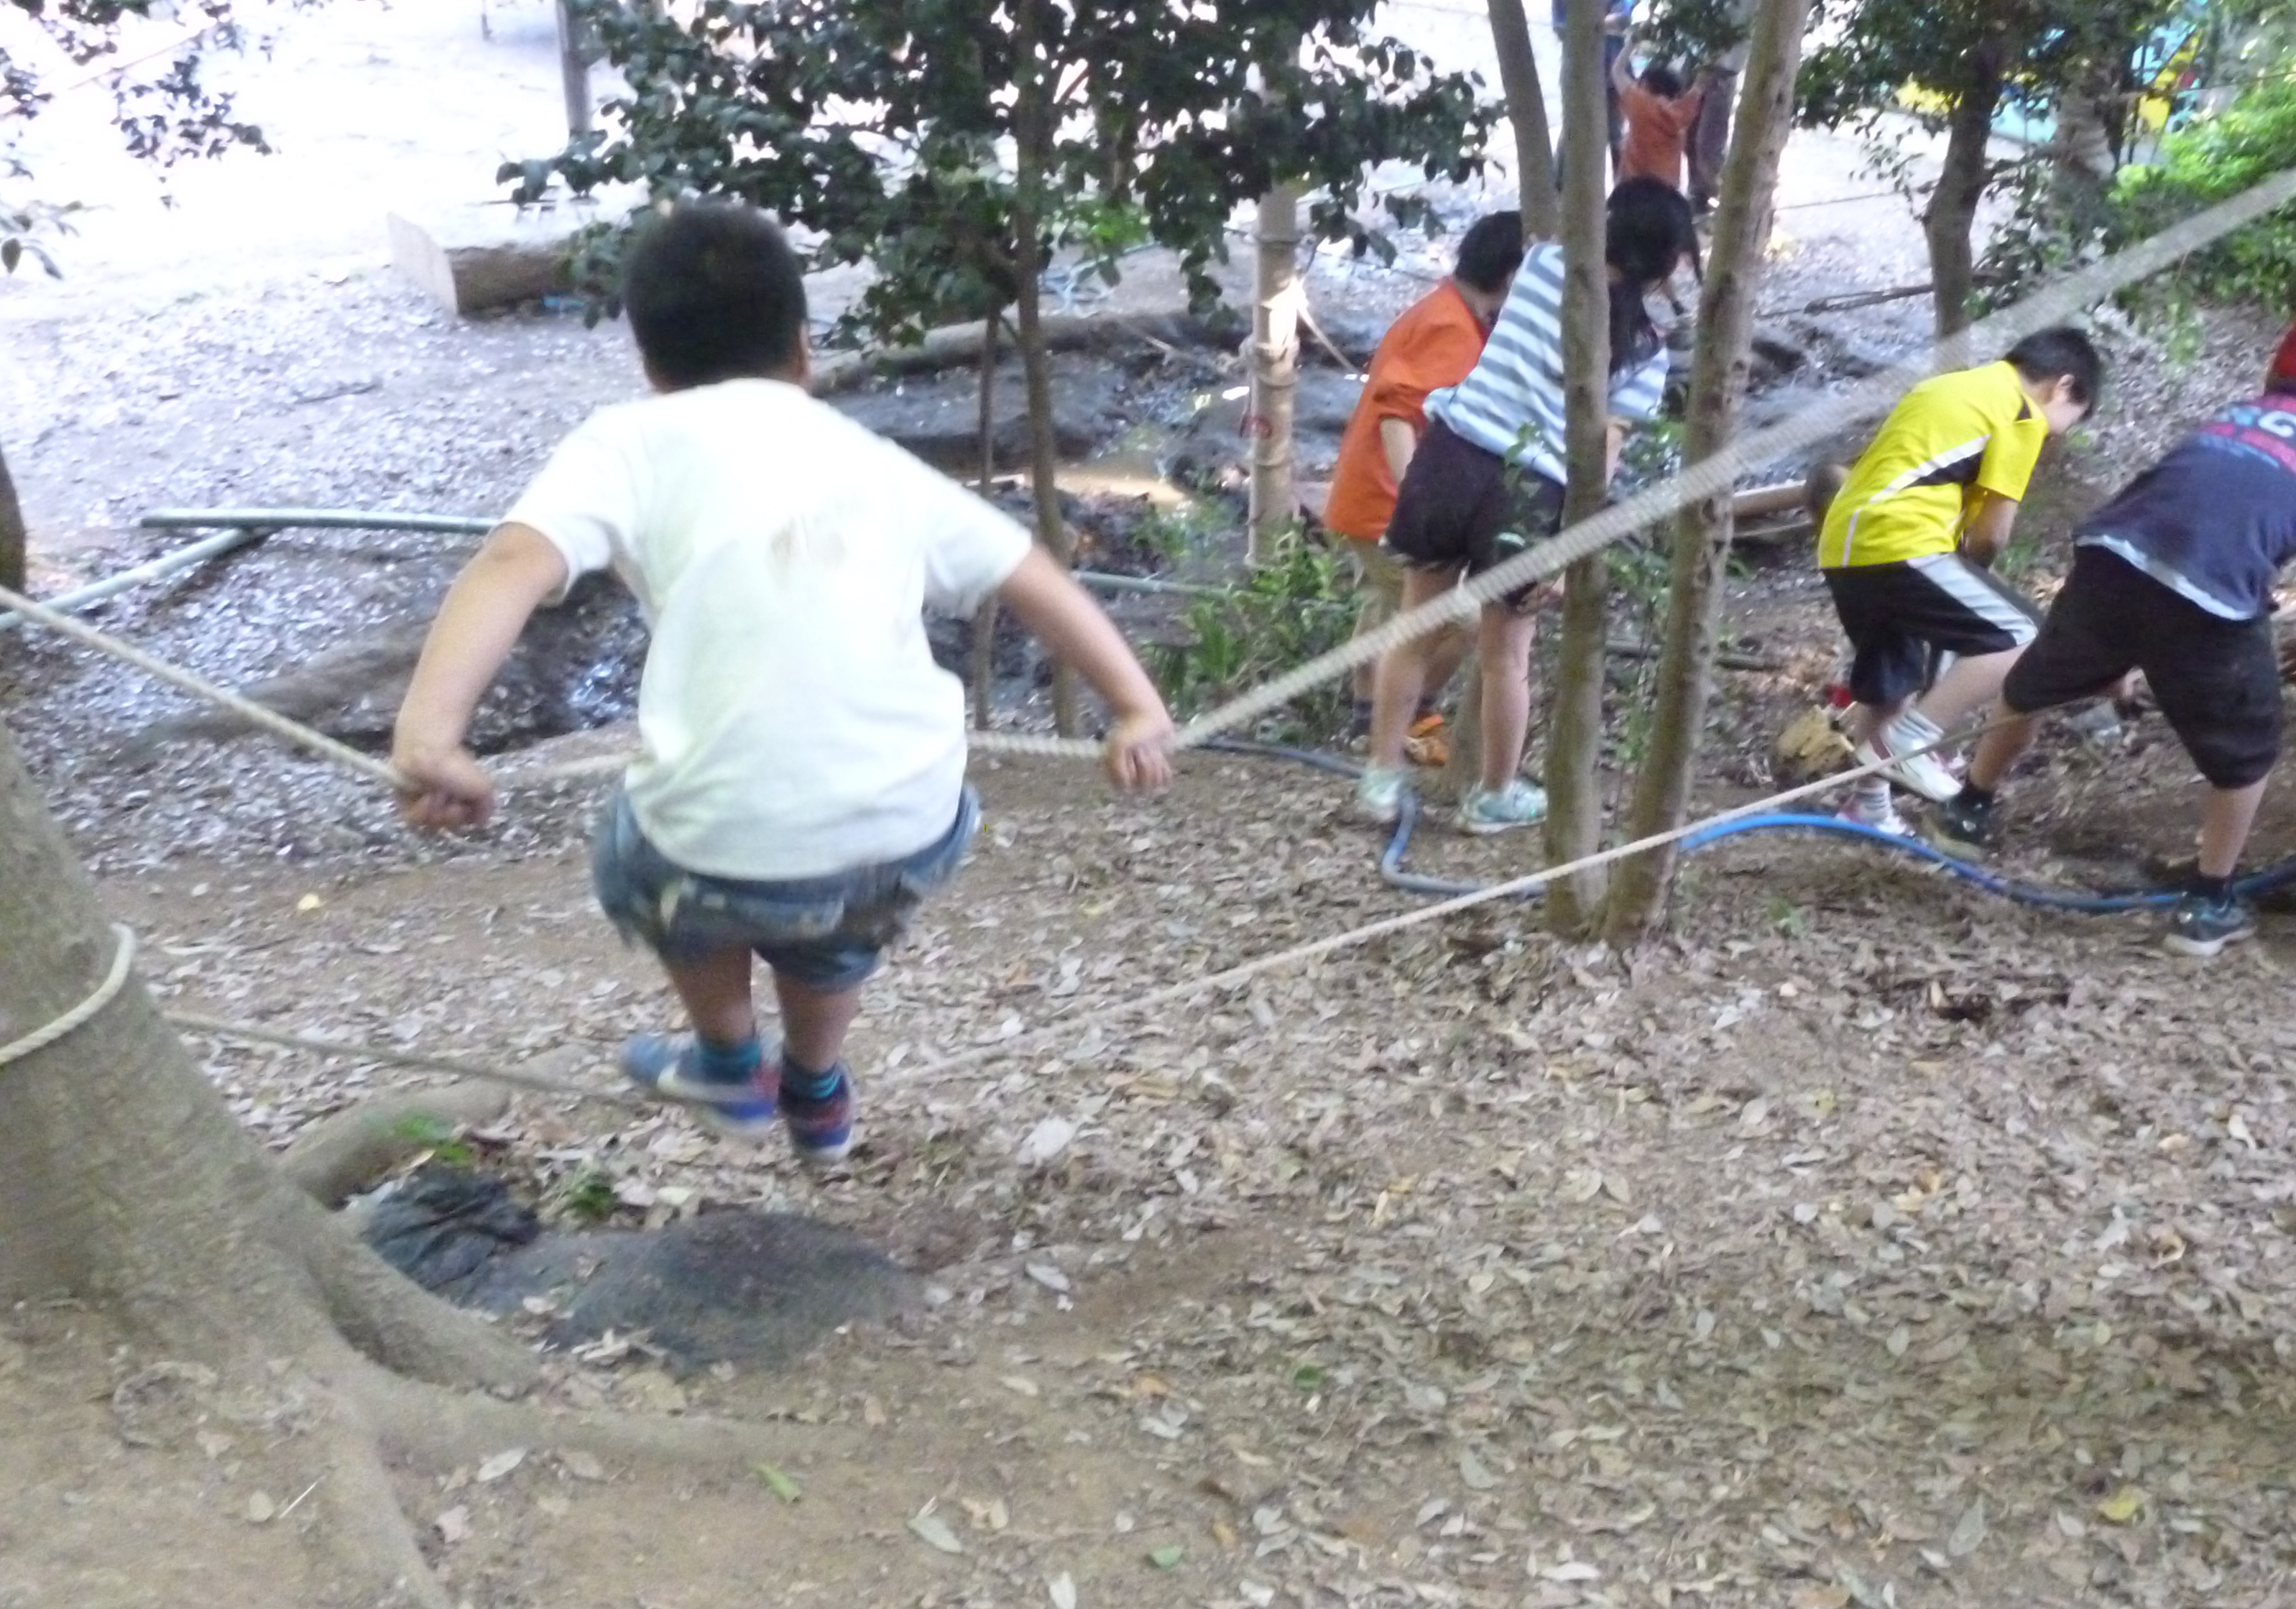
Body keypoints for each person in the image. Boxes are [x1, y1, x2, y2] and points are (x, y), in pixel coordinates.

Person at [388, 203, 1176, 1166]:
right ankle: (815, 1084)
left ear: (649, 365)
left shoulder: (626, 444)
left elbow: (514, 560)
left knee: (649, 858)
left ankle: (728, 1056)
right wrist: (1135, 706)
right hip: (910, 822)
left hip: (727, 838)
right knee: (833, 925)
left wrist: (432, 733)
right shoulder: (876, 463)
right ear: (803, 349)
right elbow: (1033, 578)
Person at [1931, 304, 2296, 960]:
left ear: (2284, 359)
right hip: (2210, 594)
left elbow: (2174, 513)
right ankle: (2208, 905)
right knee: (2249, 750)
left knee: (2034, 684)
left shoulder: (2235, 415)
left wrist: (2120, 652)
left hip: (2109, 551)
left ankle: (1969, 807)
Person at [1364, 176, 1695, 835]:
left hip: (1453, 454)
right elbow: (1602, 456)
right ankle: (1493, 796)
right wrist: (1572, 547)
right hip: (1529, 488)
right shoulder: (1648, 357)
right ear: (1664, 264)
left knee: (1413, 626)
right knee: (1504, 657)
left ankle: (1380, 779)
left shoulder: (1544, 264)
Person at [1815, 326, 2106, 801]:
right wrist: (1977, 570)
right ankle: (1912, 741)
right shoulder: (2018, 410)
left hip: (1843, 544)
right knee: (2022, 636)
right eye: (2069, 420)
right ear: (2064, 386)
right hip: (1899, 539)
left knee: (1892, 680)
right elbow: (1992, 531)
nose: (2058, 434)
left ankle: (1866, 807)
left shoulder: (1946, 386)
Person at [1322, 213, 1526, 741]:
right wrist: (1421, 501)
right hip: (1385, 504)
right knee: (1459, 623)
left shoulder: (1447, 313)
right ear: (1512, 276)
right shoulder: (1450, 329)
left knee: (1384, 610)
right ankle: (1409, 719)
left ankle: (1368, 723)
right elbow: (1398, 413)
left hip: (1366, 497)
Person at [1689, 0, 1765, 213]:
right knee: (1691, 132)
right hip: (1701, 57)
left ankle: (1715, 196)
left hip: (1726, 64)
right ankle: (1697, 192)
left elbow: (1746, 21)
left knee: (1711, 138)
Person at [1548, 0, 1637, 177]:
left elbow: (1626, 15)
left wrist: (1588, 25)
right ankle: (1560, 185)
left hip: (1613, 65)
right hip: (1578, 67)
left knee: (1616, 131)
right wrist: (1600, 24)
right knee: (1573, 127)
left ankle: (1622, 187)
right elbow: (1559, 28)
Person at [1614, 59, 1710, 197]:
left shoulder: (1641, 106)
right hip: (1667, 195)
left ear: (1645, 85)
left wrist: (1632, 41)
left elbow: (1617, 71)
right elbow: (1700, 84)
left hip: (1633, 193)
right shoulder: (1682, 111)